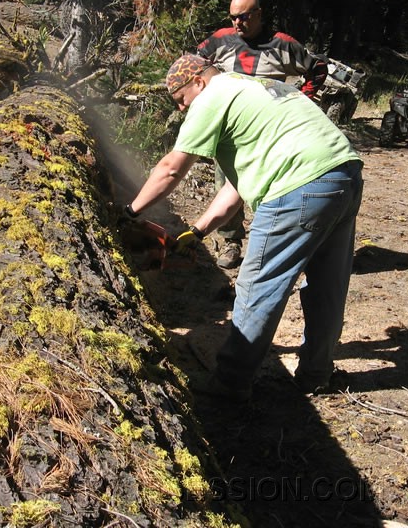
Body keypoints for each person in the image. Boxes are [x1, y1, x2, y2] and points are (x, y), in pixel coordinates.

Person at [121, 54, 363, 402]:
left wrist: (129, 212)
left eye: (180, 100)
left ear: (198, 82)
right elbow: (236, 187)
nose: (180, 109)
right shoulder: (256, 89)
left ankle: (230, 385)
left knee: (257, 287)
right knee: (328, 286)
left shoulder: (213, 96)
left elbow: (172, 169)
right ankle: (316, 374)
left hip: (297, 186)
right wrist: (199, 231)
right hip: (343, 175)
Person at [196, 0, 328, 268]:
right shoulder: (220, 39)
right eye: (233, 17)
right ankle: (230, 243)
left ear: (258, 13)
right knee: (227, 184)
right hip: (230, 128)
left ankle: (269, 242)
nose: (237, 23)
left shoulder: (282, 44)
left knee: (271, 185)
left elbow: (317, 67)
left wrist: (300, 97)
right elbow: (195, 63)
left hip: (270, 131)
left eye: (243, 17)